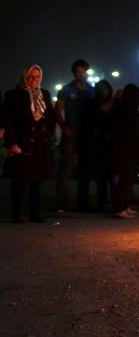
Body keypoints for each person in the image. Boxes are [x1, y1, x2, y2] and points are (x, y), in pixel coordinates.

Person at [3, 65, 57, 222]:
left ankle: (37, 212)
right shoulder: (13, 95)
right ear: (25, 77)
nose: (34, 80)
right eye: (31, 77)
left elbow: (51, 116)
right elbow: (8, 121)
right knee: (20, 181)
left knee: (37, 181)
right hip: (22, 143)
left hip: (40, 143)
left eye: (37, 77)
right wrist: (12, 143)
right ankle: (18, 213)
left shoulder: (44, 94)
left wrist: (49, 135)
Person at [54, 59, 95, 212]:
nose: (81, 75)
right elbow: (57, 111)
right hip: (71, 134)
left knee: (85, 169)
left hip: (86, 135)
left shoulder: (92, 90)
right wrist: (64, 128)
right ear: (74, 73)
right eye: (78, 72)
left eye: (84, 72)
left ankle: (83, 201)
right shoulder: (66, 90)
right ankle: (60, 203)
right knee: (66, 168)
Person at [110, 84, 139, 218]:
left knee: (128, 180)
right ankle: (119, 208)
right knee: (125, 180)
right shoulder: (128, 110)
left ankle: (124, 206)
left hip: (127, 149)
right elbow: (133, 133)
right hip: (127, 150)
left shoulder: (124, 108)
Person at [91, 79, 115, 211]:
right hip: (99, 142)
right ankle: (102, 202)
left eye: (104, 88)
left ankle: (113, 201)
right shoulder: (94, 103)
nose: (102, 91)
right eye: (99, 89)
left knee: (111, 174)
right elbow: (98, 113)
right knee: (100, 175)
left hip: (111, 143)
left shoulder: (115, 104)